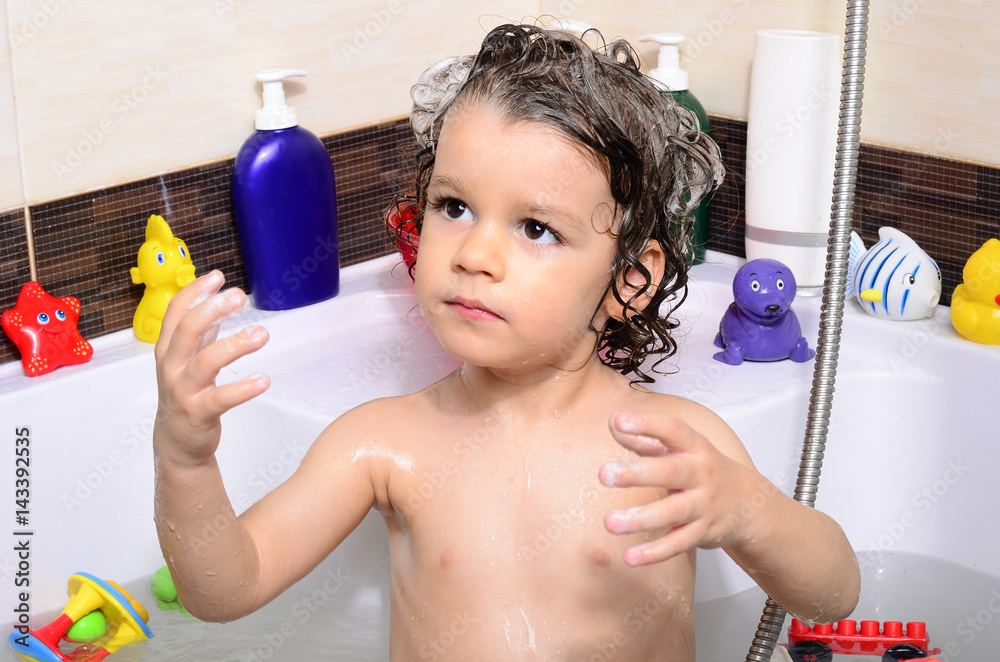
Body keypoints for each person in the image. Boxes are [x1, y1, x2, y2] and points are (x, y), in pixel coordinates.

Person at [153, 23, 859, 661]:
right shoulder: (383, 444)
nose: (475, 254)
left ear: (629, 282)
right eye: (455, 207)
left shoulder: (673, 447)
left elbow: (833, 595)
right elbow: (226, 591)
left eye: (535, 228)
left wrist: (749, 510)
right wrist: (185, 462)